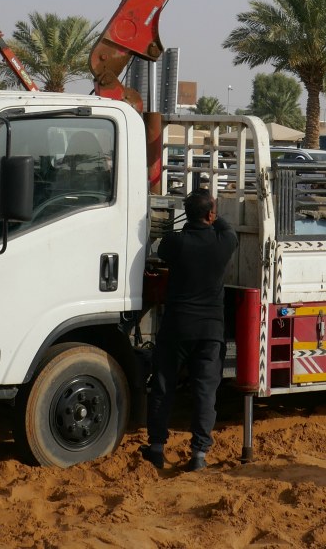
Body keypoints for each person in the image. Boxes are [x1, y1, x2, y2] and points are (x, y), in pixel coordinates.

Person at [142, 189, 238, 472]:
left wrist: (193, 218)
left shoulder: (176, 243)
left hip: (177, 327)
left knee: (162, 387)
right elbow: (227, 227)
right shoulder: (224, 242)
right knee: (205, 392)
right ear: (211, 214)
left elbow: (161, 248)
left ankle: (157, 448)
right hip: (210, 331)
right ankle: (198, 454)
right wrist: (213, 215)